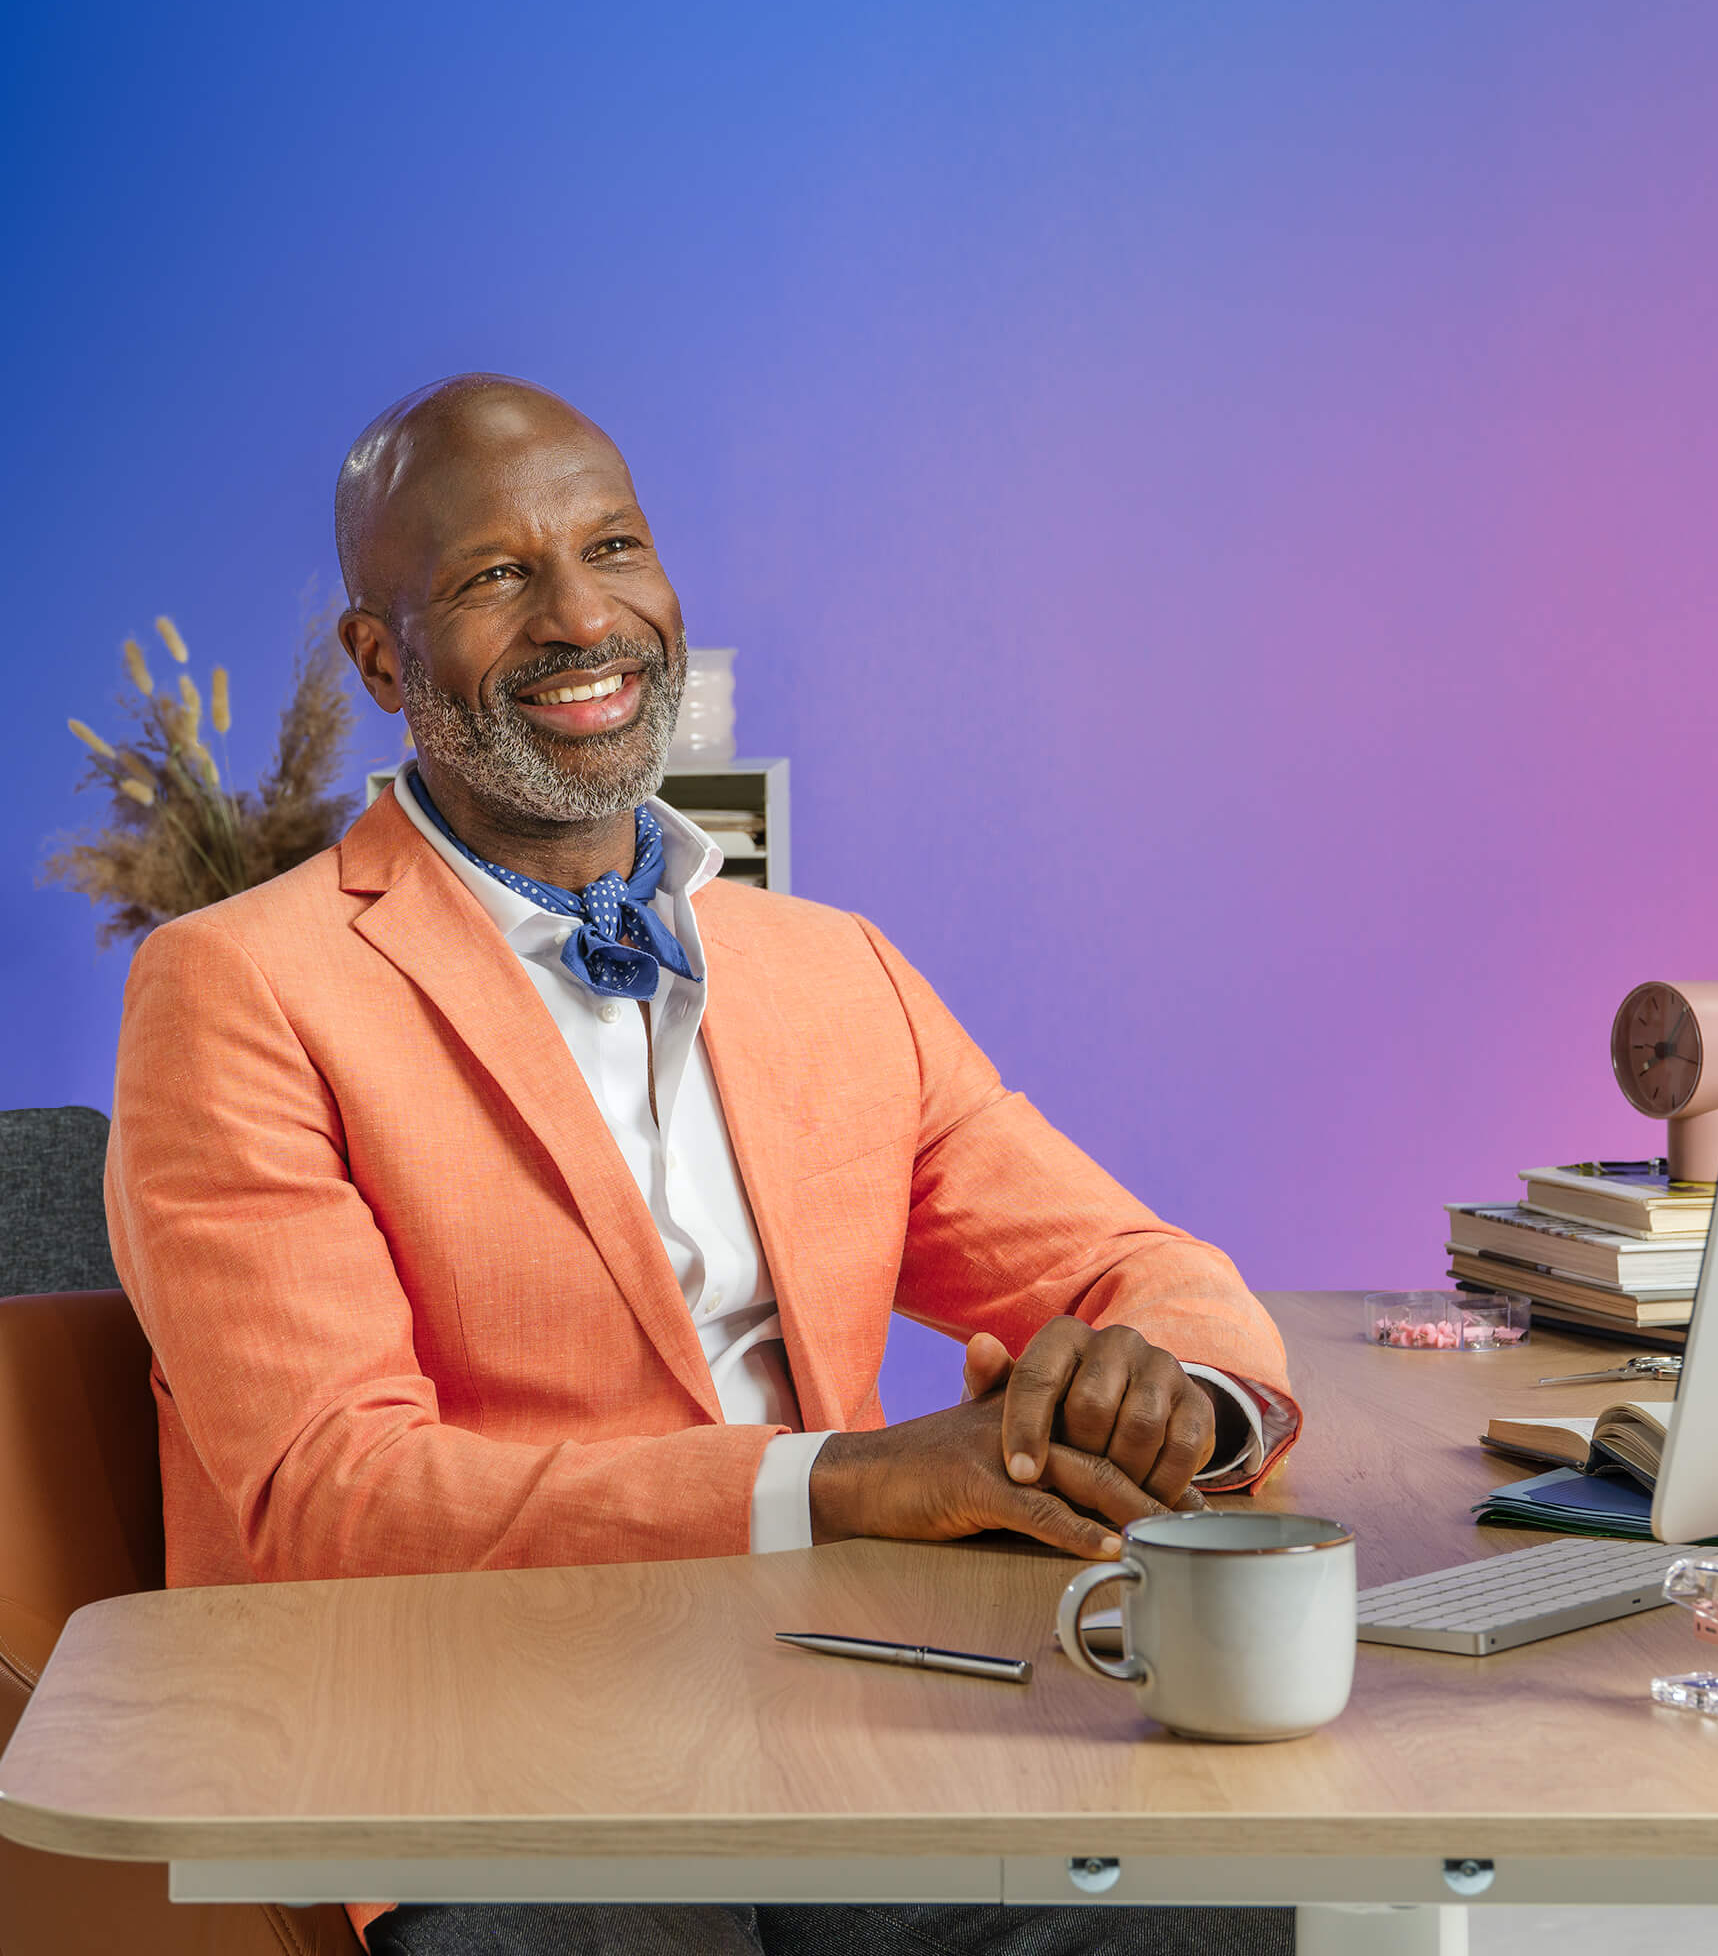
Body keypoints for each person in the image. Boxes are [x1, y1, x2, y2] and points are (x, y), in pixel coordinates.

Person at [105, 374, 1299, 1956]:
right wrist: (856, 1483)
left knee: (1215, 1908)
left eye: (614, 548)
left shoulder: (833, 969)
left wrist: (1168, 1398)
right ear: (382, 658)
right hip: (476, 1744)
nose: (580, 616)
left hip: (851, 1705)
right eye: (494, 575)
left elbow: (1145, 1272)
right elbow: (342, 1500)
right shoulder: (238, 986)